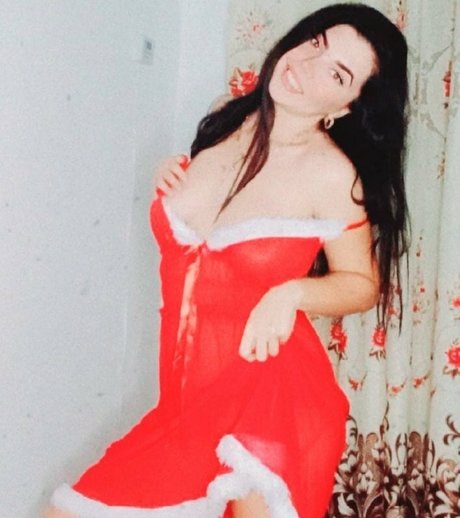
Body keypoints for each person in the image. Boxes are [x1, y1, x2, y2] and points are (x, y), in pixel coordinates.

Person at [42, 3, 409, 517]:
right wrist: (170, 177)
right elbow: (202, 233)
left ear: (347, 107)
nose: (306, 64)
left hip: (270, 402)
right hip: (185, 407)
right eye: (317, 42)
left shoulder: (332, 175)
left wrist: (291, 293)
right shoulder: (225, 119)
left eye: (337, 73)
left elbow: (362, 283)